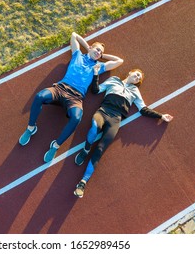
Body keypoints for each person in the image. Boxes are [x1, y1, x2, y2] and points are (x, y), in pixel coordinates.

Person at [19, 32, 124, 163]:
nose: (99, 53)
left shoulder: (99, 66)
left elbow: (119, 61)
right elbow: (74, 35)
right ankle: (31, 128)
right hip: (60, 88)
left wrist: (102, 57)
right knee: (40, 96)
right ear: (90, 47)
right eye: (97, 49)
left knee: (76, 118)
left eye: (100, 53)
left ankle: (55, 146)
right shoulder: (77, 55)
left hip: (76, 98)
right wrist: (89, 48)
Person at [73, 66, 174, 198]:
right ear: (130, 72)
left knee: (100, 149)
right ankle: (86, 150)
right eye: (137, 74)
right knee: (94, 125)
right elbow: (96, 90)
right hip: (103, 111)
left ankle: (83, 182)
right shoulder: (114, 80)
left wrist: (161, 116)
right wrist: (96, 73)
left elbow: (143, 109)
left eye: (139, 78)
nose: (137, 78)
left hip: (115, 120)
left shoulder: (135, 91)